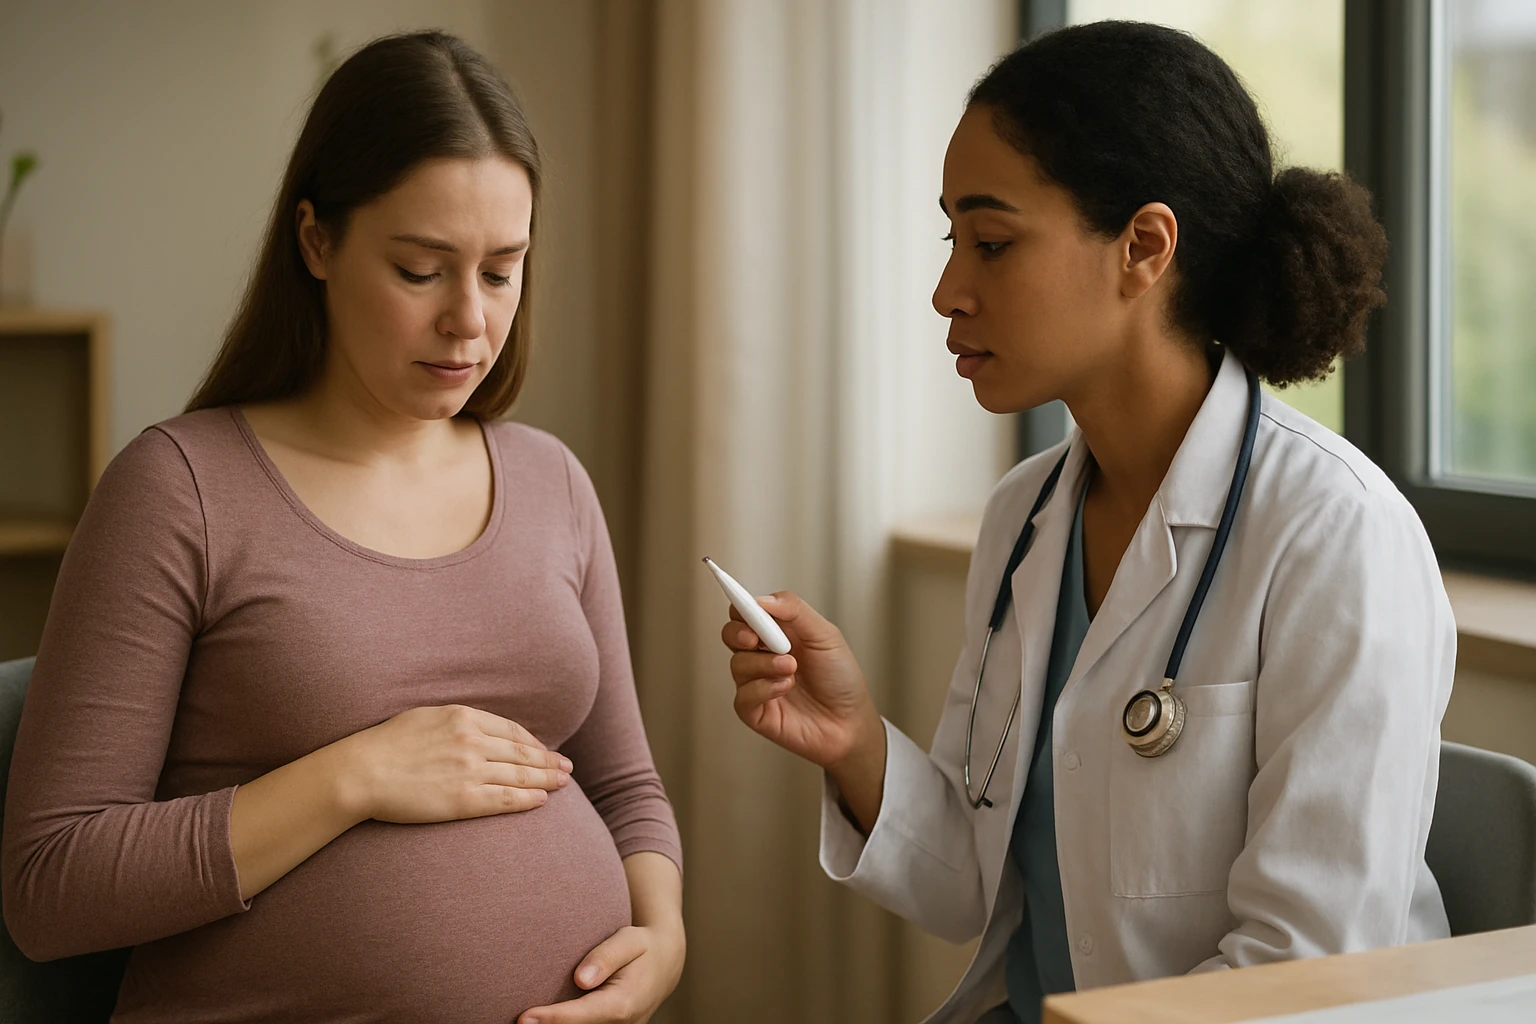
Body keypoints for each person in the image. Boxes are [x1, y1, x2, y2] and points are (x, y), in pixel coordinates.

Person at [718, 21, 1454, 1024]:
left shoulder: (1335, 537)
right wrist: (851, 740)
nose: (948, 290)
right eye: (952, 239)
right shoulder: (1025, 517)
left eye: (993, 242)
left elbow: (1306, 965)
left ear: (1144, 248)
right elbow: (969, 884)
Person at [2, 31, 683, 1024]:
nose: (469, 322)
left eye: (502, 271)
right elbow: (51, 885)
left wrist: (661, 941)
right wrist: (357, 774)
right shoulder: (179, 489)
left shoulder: (553, 483)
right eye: (421, 271)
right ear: (316, 241)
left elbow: (625, 784)